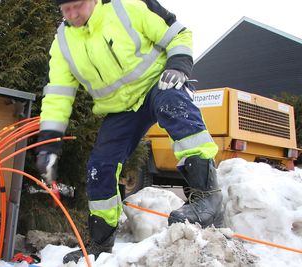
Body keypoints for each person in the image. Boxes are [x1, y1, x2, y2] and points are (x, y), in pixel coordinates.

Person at [35, 0, 223, 263]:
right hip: (120, 110)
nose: (73, 15)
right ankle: (100, 243)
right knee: (99, 168)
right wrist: (49, 145)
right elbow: (58, 95)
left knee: (174, 106)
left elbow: (178, 32)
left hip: (158, 84)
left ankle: (207, 198)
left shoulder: (128, 6)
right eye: (66, 9)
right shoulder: (64, 42)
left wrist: (178, 65)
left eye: (78, 6)